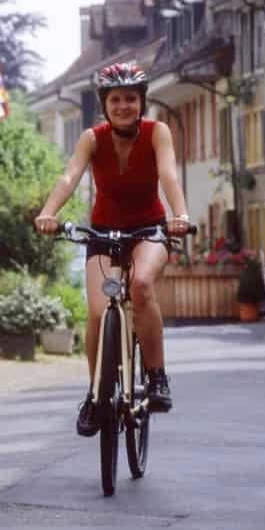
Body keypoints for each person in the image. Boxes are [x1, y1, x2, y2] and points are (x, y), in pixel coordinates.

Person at [34, 61, 191, 434]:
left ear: (142, 101)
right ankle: (95, 394)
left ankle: (156, 377)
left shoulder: (158, 133)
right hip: (102, 232)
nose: (124, 106)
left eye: (131, 99)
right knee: (97, 310)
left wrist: (180, 214)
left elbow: (169, 173)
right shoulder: (92, 138)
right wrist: (49, 211)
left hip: (149, 229)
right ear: (105, 104)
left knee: (140, 287)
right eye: (116, 99)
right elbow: (70, 175)